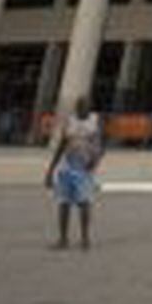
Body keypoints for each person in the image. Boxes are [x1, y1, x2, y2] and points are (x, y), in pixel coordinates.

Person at [44, 97, 105, 251]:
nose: (81, 109)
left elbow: (101, 144)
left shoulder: (95, 121)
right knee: (63, 203)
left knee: (84, 202)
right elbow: (61, 145)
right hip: (67, 165)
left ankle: (85, 238)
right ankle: (63, 238)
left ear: (89, 108)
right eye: (78, 106)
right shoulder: (70, 122)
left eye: (84, 106)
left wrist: (95, 160)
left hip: (84, 167)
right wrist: (51, 170)